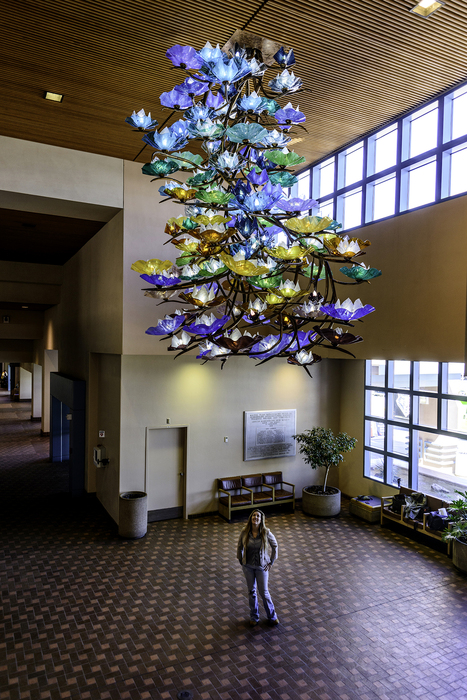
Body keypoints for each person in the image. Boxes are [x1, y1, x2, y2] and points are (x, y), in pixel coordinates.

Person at [237, 509, 279, 626]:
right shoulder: (245, 532)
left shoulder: (266, 532)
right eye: (254, 515)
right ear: (251, 518)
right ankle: (254, 617)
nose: (256, 518)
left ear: (261, 520)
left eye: (258, 516)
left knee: (264, 592)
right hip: (248, 567)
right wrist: (240, 559)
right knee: (251, 591)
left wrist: (271, 562)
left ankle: (272, 616)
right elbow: (239, 546)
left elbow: (275, 545)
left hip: (262, 567)